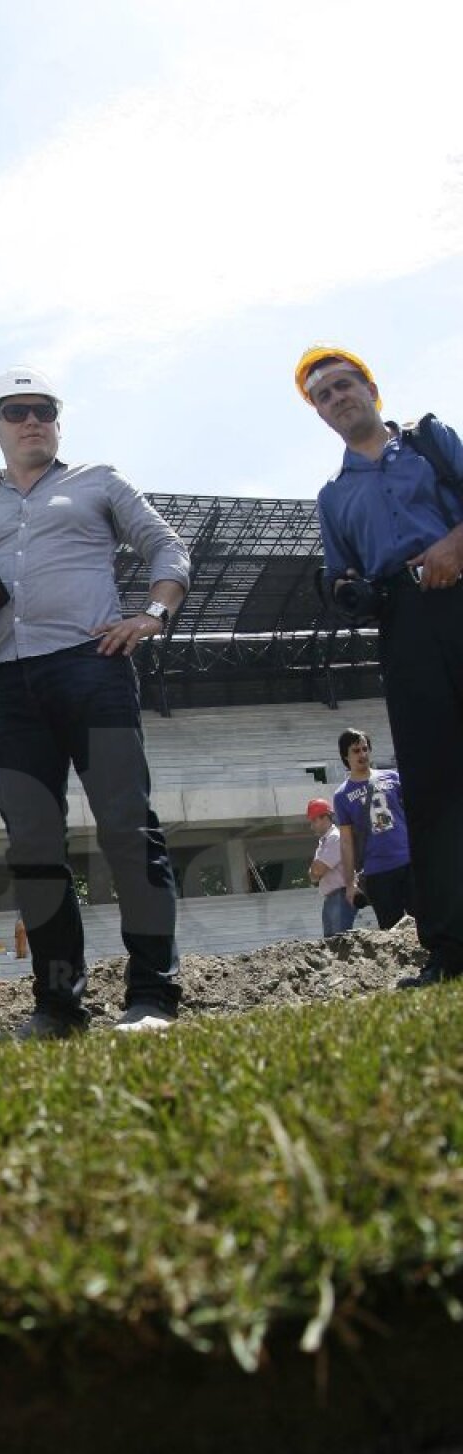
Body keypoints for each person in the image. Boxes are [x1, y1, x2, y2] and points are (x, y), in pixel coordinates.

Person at [0, 366, 189, 1037]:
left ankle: (153, 995)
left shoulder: (99, 481)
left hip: (93, 667)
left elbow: (167, 546)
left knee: (127, 827)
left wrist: (153, 615)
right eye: (16, 411)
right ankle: (57, 1006)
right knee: (32, 845)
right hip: (8, 685)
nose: (33, 421)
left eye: (44, 410)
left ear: (57, 421)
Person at [297, 344, 463, 986]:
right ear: (320, 414)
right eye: (324, 396)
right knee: (432, 785)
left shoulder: (431, 442)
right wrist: (347, 591)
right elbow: (340, 575)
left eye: (345, 385)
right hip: (404, 625)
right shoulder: (332, 496)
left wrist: (453, 544)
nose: (337, 398)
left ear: (371, 388)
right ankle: (449, 946)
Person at [330, 728, 415, 930]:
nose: (362, 754)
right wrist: (350, 883)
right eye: (356, 751)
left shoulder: (393, 777)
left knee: (425, 922)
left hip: (409, 863)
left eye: (365, 749)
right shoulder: (342, 795)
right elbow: (346, 842)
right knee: (391, 930)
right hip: (378, 871)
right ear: (345, 756)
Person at [306, 797, 355, 938]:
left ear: (325, 818)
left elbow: (317, 871)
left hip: (340, 896)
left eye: (314, 821)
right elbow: (313, 876)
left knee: (339, 941)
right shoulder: (324, 841)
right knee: (330, 942)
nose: (312, 826)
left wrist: (315, 870)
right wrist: (315, 871)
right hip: (332, 898)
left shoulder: (335, 838)